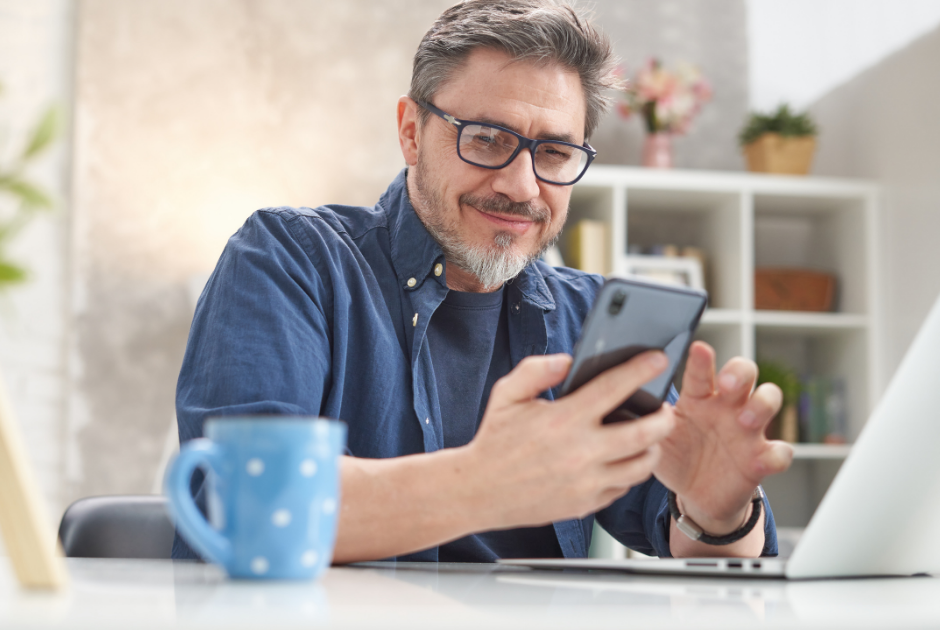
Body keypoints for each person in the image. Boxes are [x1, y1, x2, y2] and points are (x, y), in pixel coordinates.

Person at [174, 0, 793, 563]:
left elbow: (687, 539)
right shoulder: (292, 260)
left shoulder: (587, 316)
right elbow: (248, 508)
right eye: (488, 139)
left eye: (553, 154)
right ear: (412, 132)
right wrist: (486, 483)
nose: (522, 187)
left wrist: (717, 511)